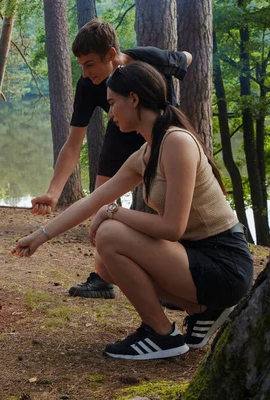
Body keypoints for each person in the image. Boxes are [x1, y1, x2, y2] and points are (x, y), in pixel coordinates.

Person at [13, 62, 254, 360]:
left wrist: (112, 212)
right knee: (104, 263)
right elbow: (93, 200)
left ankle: (162, 334)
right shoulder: (146, 152)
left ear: (134, 99)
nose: (110, 112)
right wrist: (39, 236)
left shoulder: (176, 142)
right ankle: (203, 310)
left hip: (224, 264)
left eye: (113, 103)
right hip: (195, 260)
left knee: (111, 233)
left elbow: (172, 228)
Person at [31, 19, 192, 300]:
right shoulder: (87, 85)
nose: (84, 72)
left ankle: (175, 276)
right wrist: (53, 193)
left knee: (168, 204)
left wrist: (172, 73)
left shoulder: (148, 58)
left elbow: (185, 58)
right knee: (101, 200)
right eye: (80, 64)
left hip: (161, 130)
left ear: (111, 54)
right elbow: (73, 143)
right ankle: (103, 275)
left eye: (90, 63)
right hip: (121, 129)